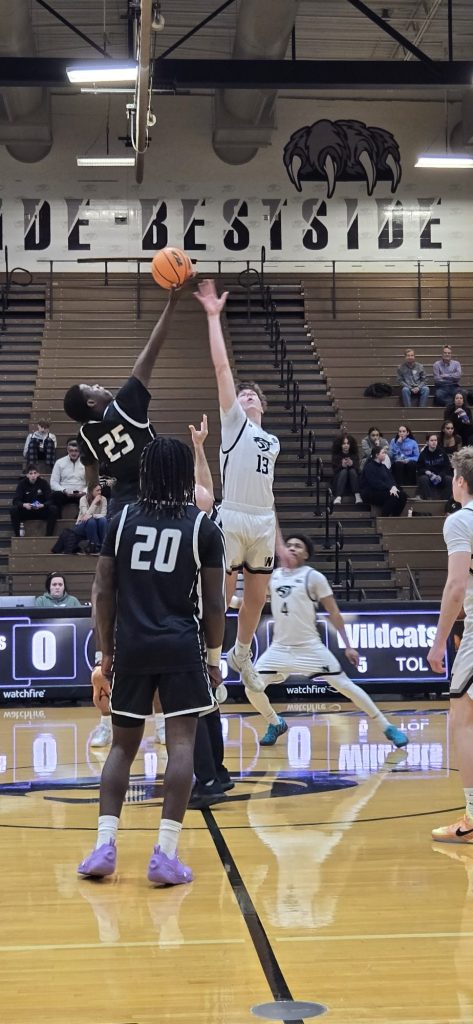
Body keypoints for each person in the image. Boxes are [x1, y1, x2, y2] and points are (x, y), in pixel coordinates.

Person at [77, 436, 226, 883]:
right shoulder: (202, 527)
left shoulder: (121, 521)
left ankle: (104, 846)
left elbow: (103, 591)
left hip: (133, 646)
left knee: (122, 746)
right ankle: (165, 855)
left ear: (145, 473)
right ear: (184, 477)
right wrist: (214, 657)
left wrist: (106, 651)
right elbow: (215, 604)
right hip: (182, 646)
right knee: (180, 745)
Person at [195, 278, 288, 693]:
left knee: (257, 597)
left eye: (252, 395)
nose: (245, 396)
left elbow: (268, 492)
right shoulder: (234, 425)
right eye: (243, 393)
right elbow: (220, 369)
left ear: (262, 407)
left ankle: (242, 651)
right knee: (220, 593)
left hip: (263, 520)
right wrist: (214, 317)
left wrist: (279, 537)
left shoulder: (273, 440)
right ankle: (213, 662)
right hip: (231, 515)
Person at [244, 533, 407, 748]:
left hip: (310, 648)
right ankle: (276, 723)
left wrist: (348, 645)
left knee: (346, 687)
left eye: (298, 546)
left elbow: (334, 613)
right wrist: (228, 601)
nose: (292, 548)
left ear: (306, 554)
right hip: (279, 649)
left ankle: (387, 727)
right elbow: (251, 602)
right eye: (289, 545)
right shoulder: (273, 577)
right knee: (251, 687)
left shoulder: (313, 577)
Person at [63, 286, 189, 517]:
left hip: (124, 502)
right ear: (91, 403)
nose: (98, 385)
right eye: (93, 388)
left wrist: (92, 487)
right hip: (158, 488)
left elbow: (90, 466)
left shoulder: (86, 435)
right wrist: (172, 302)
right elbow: (151, 350)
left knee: (118, 550)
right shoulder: (124, 405)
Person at [428, 447, 473, 844]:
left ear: (460, 481)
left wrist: (439, 641)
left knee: (463, 720)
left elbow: (457, 586)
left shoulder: (460, 520)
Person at [10, 464, 58, 537]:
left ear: (38, 474)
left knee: (53, 509)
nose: (33, 475)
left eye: (35, 473)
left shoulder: (44, 483)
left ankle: (48, 535)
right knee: (13, 509)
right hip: (27, 511)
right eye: (31, 473)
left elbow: (50, 500)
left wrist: (43, 505)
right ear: (27, 475)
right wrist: (24, 505)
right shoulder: (22, 484)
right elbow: (16, 500)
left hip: (40, 510)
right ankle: (18, 536)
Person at [359, 445, 407, 516]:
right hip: (371, 492)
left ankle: (395, 516)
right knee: (392, 496)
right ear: (377, 455)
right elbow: (375, 483)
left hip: (384, 490)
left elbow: (391, 479)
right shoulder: (369, 467)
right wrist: (389, 488)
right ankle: (384, 517)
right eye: (383, 453)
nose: (385, 454)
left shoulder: (383, 466)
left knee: (403, 495)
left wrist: (393, 487)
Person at [50, 439, 87, 515]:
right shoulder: (59, 462)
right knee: (55, 495)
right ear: (67, 450)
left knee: (90, 496)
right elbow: (53, 482)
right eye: (71, 450)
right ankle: (58, 517)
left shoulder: (86, 463)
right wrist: (64, 490)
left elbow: (91, 482)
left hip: (81, 493)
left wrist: (84, 491)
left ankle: (80, 519)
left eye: (76, 450)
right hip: (65, 493)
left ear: (80, 450)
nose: (73, 453)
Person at [415, 433, 453, 501]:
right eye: (431, 440)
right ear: (427, 442)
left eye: (435, 440)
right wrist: (426, 472)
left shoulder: (442, 452)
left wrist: (440, 476)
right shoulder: (423, 454)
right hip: (429, 477)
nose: (434, 442)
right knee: (423, 479)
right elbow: (419, 468)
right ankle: (429, 499)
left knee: (449, 479)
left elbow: (447, 467)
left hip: (440, 477)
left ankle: (445, 500)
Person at [74, 484, 108, 553]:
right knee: (91, 521)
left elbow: (103, 514)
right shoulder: (83, 499)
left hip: (97, 523)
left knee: (103, 520)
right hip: (82, 525)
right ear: (91, 491)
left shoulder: (103, 499)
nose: (99, 492)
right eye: (97, 490)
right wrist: (94, 502)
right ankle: (96, 546)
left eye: (100, 490)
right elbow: (85, 515)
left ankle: (104, 547)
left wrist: (93, 515)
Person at [331, 433, 362, 505]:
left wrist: (352, 464)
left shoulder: (354, 455)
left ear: (350, 445)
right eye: (344, 443)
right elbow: (335, 471)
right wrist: (341, 466)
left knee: (352, 471)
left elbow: (358, 471)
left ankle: (357, 496)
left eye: (348, 443)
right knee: (344, 471)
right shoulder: (336, 455)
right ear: (340, 445)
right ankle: (338, 496)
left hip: (352, 482)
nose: (346, 445)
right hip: (339, 481)